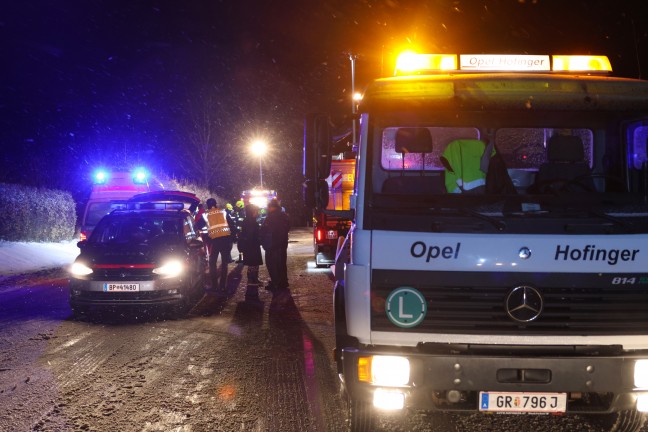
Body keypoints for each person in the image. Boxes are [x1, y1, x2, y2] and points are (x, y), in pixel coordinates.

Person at [195, 198, 235, 293]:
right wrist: (232, 238)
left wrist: (206, 232)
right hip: (225, 240)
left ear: (208, 205)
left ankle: (214, 286)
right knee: (224, 264)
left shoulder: (205, 215)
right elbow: (232, 225)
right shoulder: (223, 212)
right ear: (216, 204)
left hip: (213, 241)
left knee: (212, 263)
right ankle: (223, 286)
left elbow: (198, 226)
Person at [260, 199, 290, 291]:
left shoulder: (271, 217)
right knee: (281, 264)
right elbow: (287, 229)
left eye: (269, 207)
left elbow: (264, 230)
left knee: (272, 265)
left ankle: (276, 283)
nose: (268, 209)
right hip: (282, 244)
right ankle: (283, 282)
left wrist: (262, 237)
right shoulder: (284, 216)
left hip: (272, 245)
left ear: (272, 207)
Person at [238, 204, 263, 285]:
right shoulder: (251, 222)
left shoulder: (248, 220)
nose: (257, 213)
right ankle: (252, 280)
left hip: (250, 246)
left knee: (253, 264)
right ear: (252, 212)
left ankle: (253, 279)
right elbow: (251, 235)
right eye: (256, 211)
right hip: (252, 246)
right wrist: (258, 240)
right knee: (253, 263)